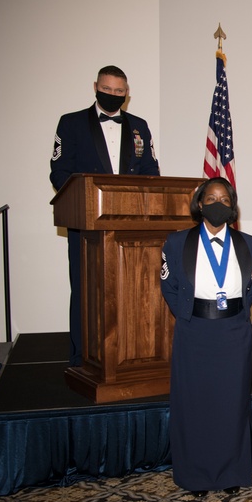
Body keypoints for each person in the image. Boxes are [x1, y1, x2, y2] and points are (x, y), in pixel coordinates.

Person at [49, 65, 160, 366]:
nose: (113, 95)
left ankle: (129, 353)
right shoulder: (71, 123)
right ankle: (81, 356)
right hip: (86, 225)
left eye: (119, 91)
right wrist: (83, 203)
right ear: (95, 87)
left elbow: (150, 170)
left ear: (127, 93)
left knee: (131, 291)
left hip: (129, 225)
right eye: (107, 89)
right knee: (86, 292)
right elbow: (60, 171)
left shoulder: (140, 126)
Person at [159, 177, 252, 497]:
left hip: (234, 332)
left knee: (232, 403)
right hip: (195, 332)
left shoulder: (249, 243)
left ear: (232, 207)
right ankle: (196, 476)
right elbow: (169, 286)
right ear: (199, 203)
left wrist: (237, 319)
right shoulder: (177, 242)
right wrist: (191, 318)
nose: (218, 203)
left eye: (225, 199)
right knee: (196, 404)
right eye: (211, 198)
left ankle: (231, 471)